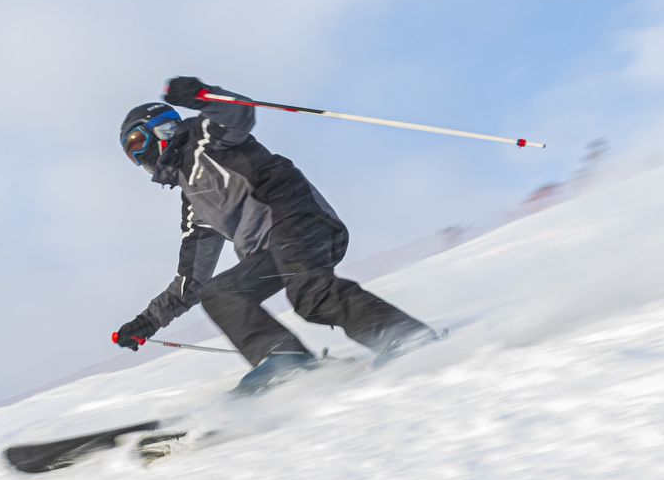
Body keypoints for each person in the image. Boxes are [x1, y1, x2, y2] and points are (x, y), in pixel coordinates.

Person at [114, 76, 433, 391]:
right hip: (270, 254)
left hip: (298, 218)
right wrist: (147, 322)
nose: (139, 158)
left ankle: (403, 336)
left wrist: (200, 95)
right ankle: (285, 361)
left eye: (138, 144)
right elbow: (189, 281)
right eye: (131, 155)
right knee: (219, 293)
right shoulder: (195, 206)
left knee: (309, 295)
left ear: (162, 130)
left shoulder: (204, 137)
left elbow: (239, 113)